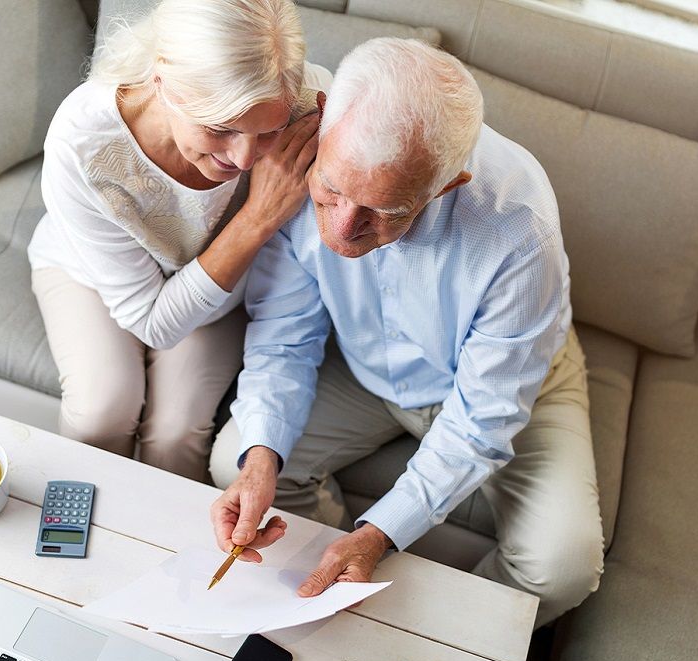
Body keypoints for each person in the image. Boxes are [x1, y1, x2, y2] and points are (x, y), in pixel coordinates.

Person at [208, 38, 604, 626]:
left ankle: (418, 631)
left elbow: (481, 419)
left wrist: (381, 534)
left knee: (564, 565)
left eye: (383, 211)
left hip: (513, 385)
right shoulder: (298, 159)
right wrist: (262, 456)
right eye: (333, 190)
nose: (341, 231)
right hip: (364, 371)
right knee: (235, 461)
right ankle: (332, 590)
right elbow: (285, 337)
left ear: (446, 184)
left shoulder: (520, 226)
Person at [26, 0, 328, 482]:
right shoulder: (82, 142)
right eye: (221, 128)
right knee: (101, 413)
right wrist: (258, 216)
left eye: (266, 132)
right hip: (91, 276)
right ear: (162, 80)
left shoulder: (306, 101)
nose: (246, 158)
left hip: (219, 298)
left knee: (175, 436)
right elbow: (152, 322)